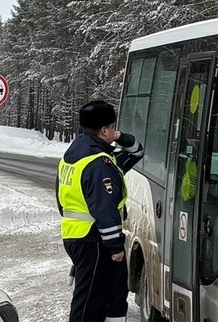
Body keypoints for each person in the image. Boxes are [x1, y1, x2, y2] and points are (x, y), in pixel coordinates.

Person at [56, 100, 144, 322]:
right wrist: (116, 248)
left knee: (110, 296)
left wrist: (118, 136)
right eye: (113, 127)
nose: (116, 131)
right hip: (93, 240)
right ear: (104, 129)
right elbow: (105, 210)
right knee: (89, 304)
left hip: (77, 235)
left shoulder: (76, 154)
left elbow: (137, 151)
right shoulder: (98, 164)